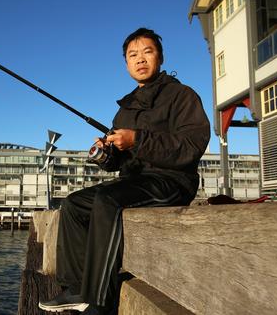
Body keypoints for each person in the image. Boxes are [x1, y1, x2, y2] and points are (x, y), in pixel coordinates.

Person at [38, 28, 210, 314]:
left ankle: (99, 300)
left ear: (161, 57)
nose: (140, 59)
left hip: (171, 181)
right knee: (73, 204)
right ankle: (76, 288)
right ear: (126, 63)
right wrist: (107, 156)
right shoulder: (124, 110)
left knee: (108, 201)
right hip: (134, 182)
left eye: (147, 52)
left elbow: (191, 145)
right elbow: (121, 162)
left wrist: (137, 139)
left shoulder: (182, 95)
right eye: (133, 55)